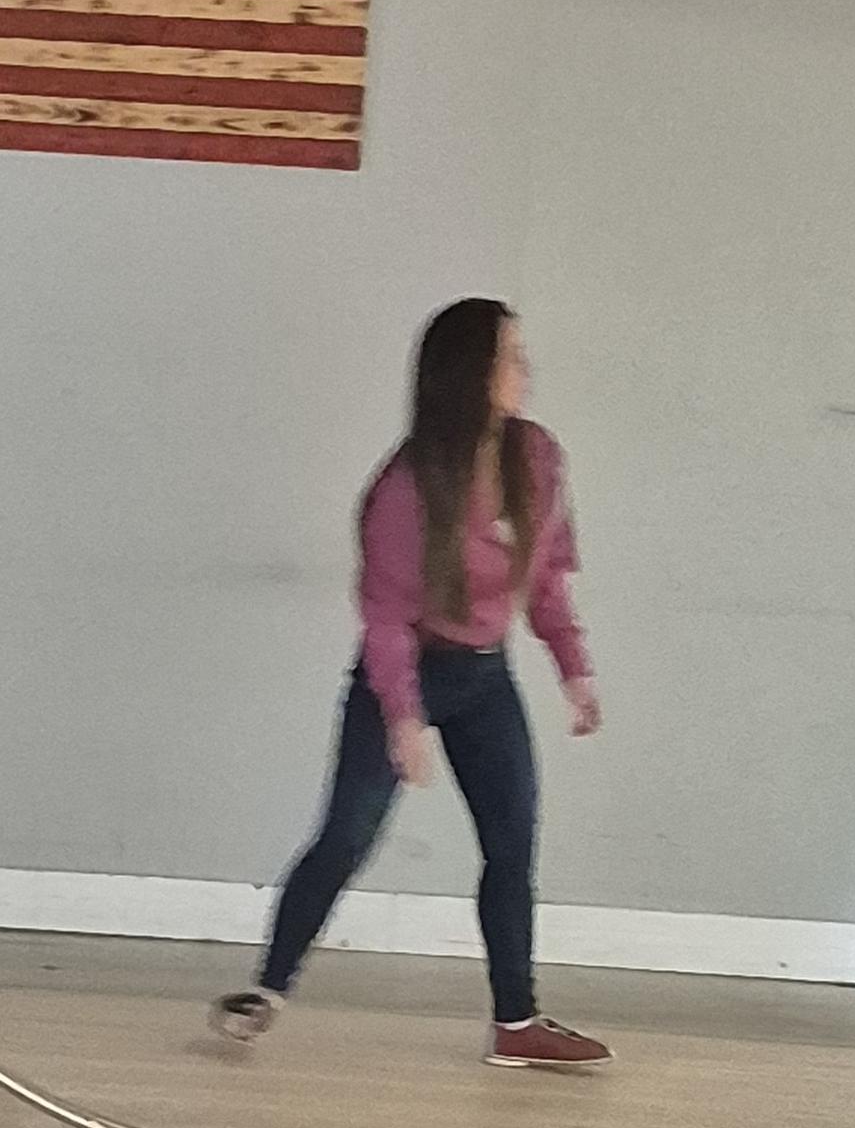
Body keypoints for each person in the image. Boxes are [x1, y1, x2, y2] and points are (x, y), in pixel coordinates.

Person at [214, 299, 611, 1069]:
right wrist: (402, 717)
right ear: (468, 374)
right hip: (404, 673)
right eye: (509, 357)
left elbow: (550, 574)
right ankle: (265, 989)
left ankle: (516, 1022)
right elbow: (386, 615)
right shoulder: (404, 487)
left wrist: (573, 667)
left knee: (512, 841)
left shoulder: (539, 460)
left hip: (486, 678)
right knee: (347, 837)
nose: (526, 372)